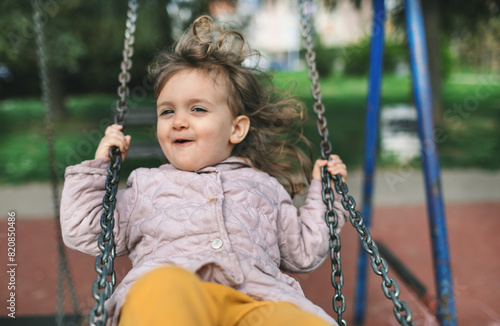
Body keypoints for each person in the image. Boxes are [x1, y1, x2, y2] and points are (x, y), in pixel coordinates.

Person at [61, 16, 348, 326]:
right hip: (175, 300)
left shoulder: (264, 186)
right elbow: (86, 230)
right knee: (158, 286)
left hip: (255, 300)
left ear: (236, 129)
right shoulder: (146, 185)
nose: (178, 121)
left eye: (197, 109)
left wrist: (326, 194)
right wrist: (99, 168)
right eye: (167, 111)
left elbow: (304, 251)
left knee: (295, 319)